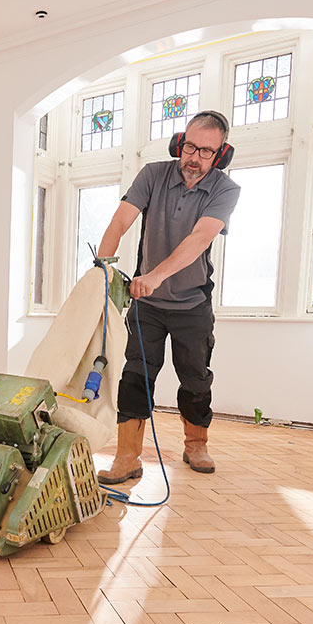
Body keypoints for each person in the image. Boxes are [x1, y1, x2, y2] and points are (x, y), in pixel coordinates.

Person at [94, 111, 241, 484]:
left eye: (206, 151)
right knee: (134, 376)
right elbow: (120, 221)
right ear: (180, 142)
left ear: (220, 154)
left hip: (192, 304)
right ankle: (127, 456)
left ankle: (196, 444)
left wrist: (155, 275)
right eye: (190, 146)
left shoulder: (226, 190)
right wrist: (104, 269)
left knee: (195, 378)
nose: (195, 157)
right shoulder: (153, 174)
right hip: (148, 308)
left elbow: (198, 240)